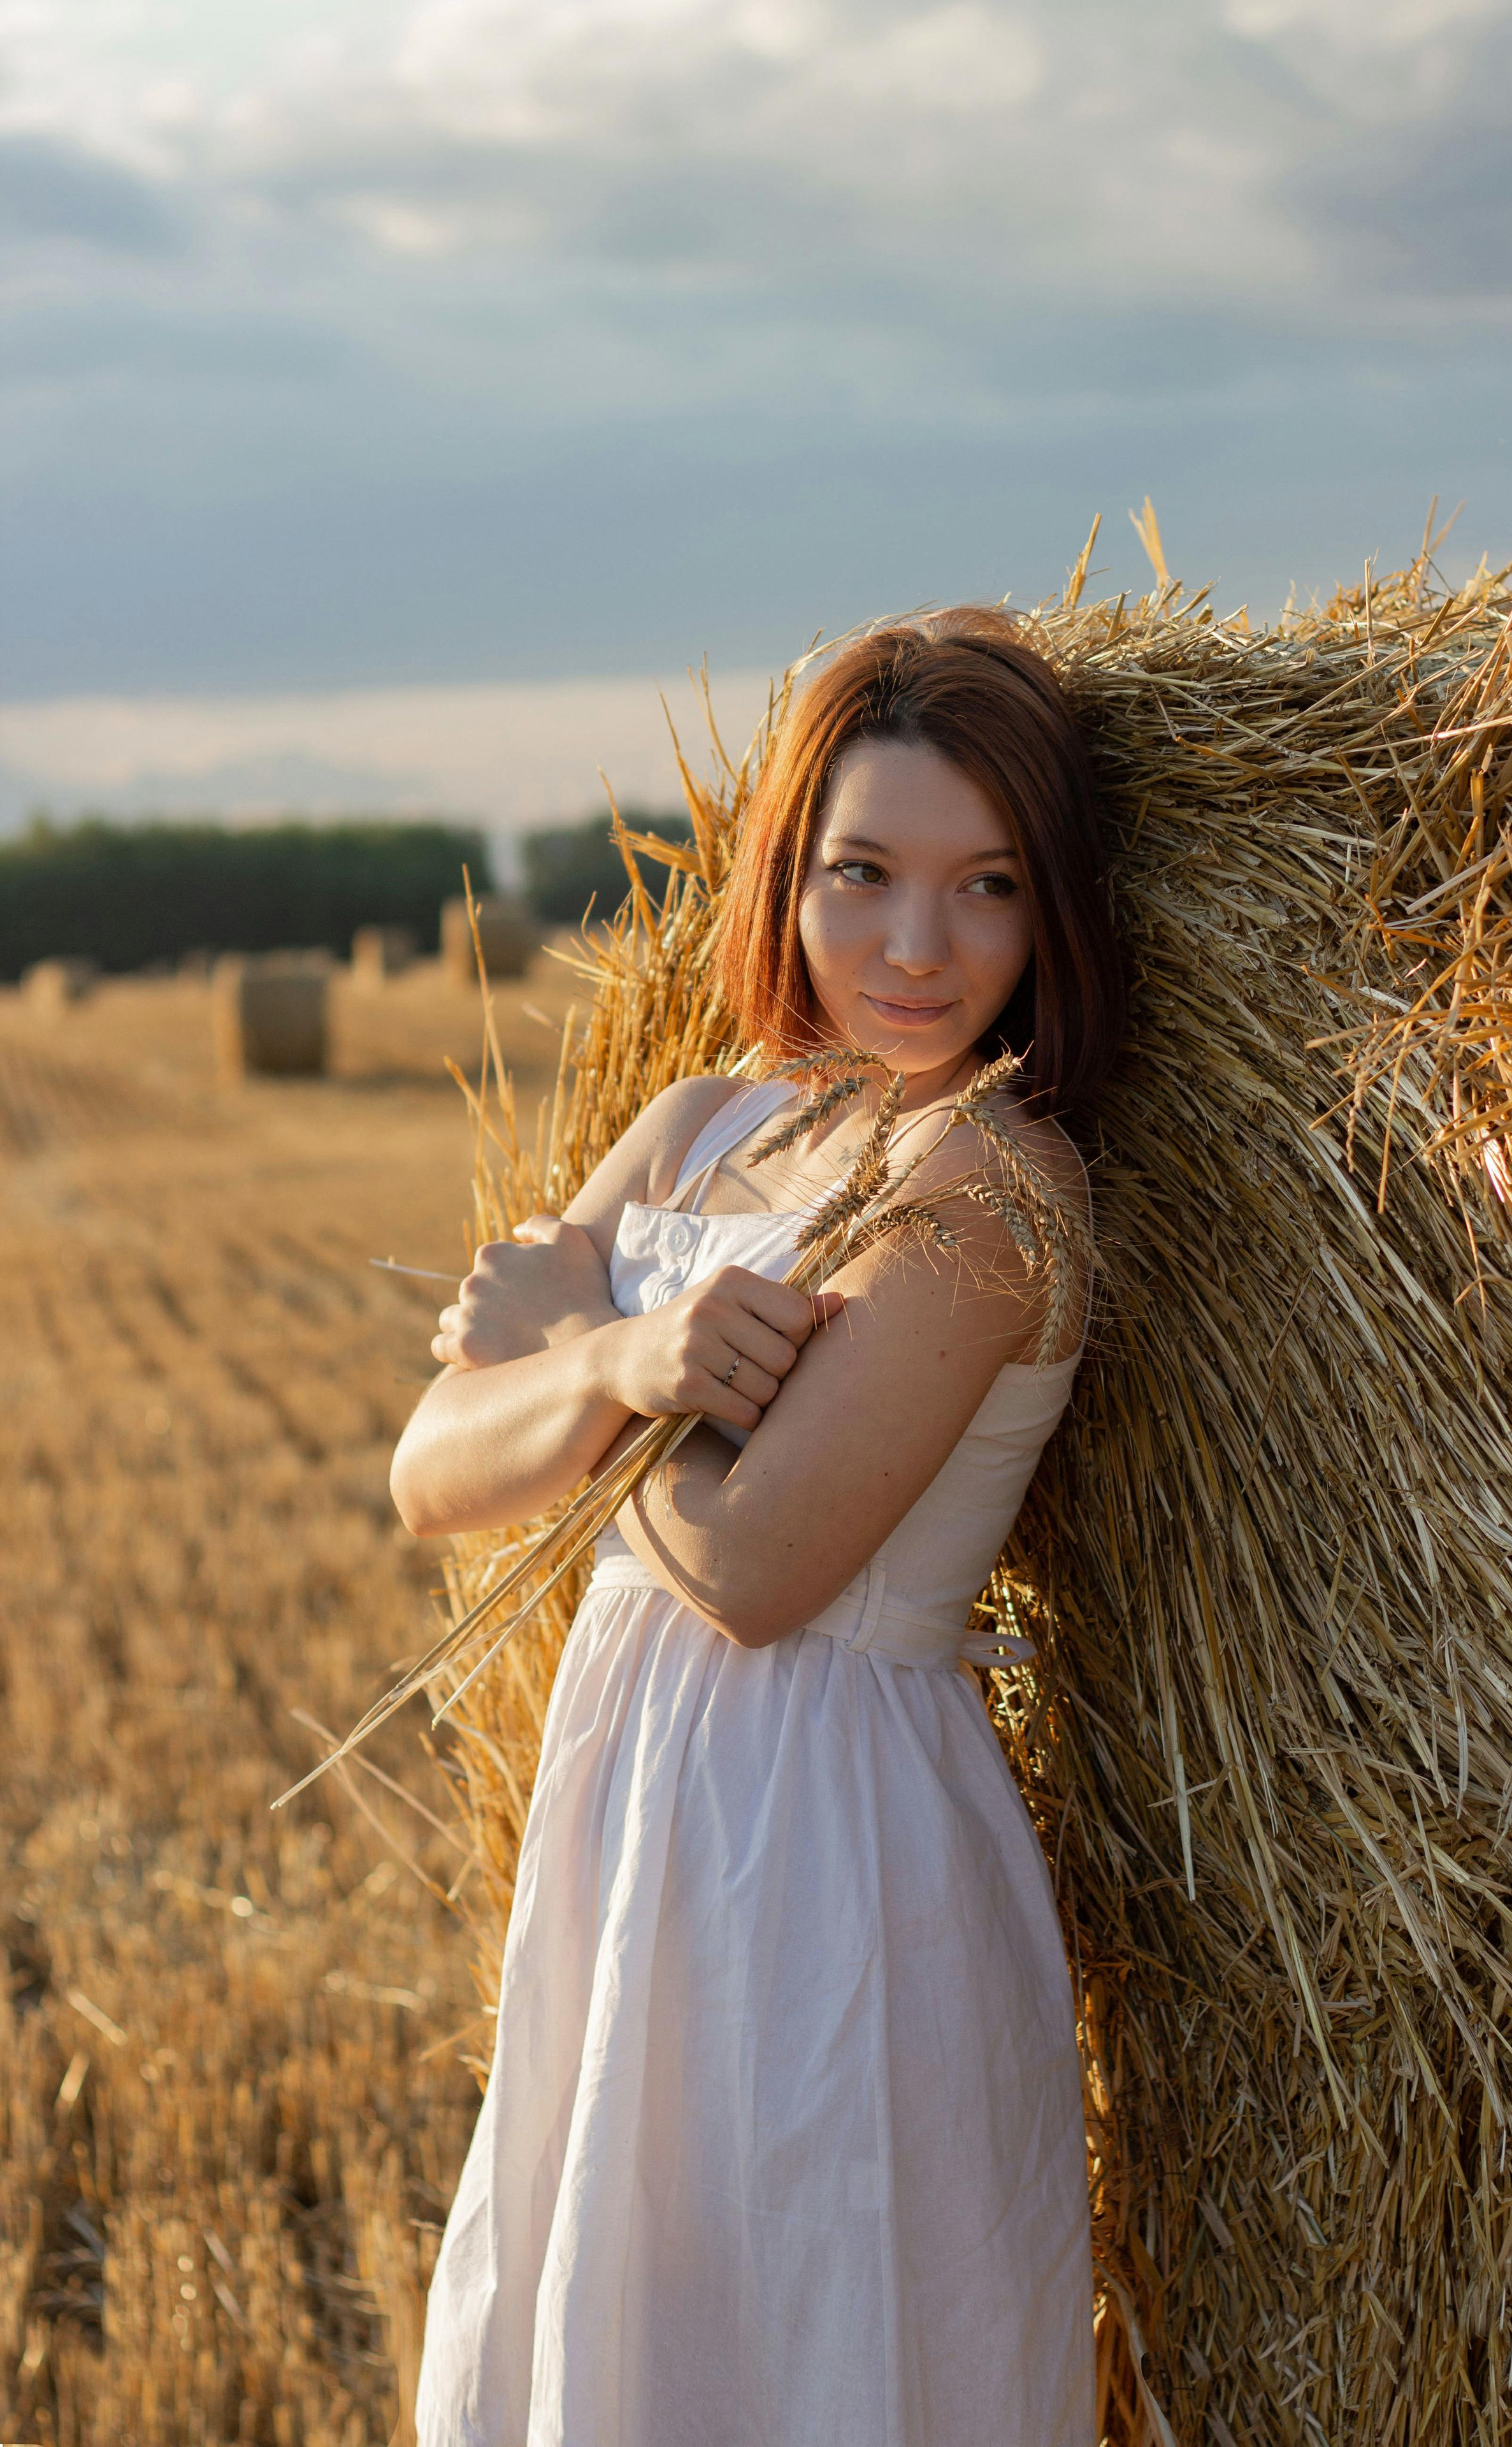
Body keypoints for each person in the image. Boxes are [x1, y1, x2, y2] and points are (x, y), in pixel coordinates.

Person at [394, 607, 1125, 2447]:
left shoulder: (995, 1187)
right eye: (863, 872)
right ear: (788, 874)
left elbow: (755, 1570)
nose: (913, 946)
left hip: (840, 1848)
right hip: (634, 1819)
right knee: (623, 2331)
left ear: (1050, 920)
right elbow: (432, 1469)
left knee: (821, 2339)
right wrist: (617, 1357)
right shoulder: (705, 1125)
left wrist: (588, 1357)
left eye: (986, 889)